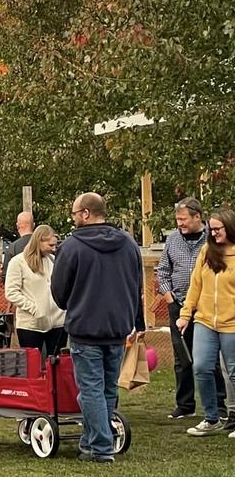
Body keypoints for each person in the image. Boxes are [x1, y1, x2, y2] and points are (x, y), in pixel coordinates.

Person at [50, 192, 144, 462]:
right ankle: (90, 442)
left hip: (86, 327)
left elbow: (59, 291)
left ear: (86, 213)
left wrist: (75, 302)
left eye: (74, 213)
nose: (73, 218)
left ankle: (101, 447)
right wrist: (136, 321)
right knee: (107, 389)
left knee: (91, 389)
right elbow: (136, 285)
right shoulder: (128, 244)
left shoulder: (71, 247)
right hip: (118, 326)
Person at [158, 197, 226, 421]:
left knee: (210, 358)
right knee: (182, 358)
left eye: (183, 219)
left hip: (207, 307)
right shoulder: (173, 240)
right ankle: (185, 405)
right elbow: (163, 271)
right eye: (177, 219)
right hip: (178, 305)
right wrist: (169, 298)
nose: (180, 223)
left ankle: (220, 404)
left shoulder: (213, 239)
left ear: (198, 217)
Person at [177, 207, 235, 437]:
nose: (213, 233)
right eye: (211, 229)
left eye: (218, 229)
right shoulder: (207, 251)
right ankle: (212, 418)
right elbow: (196, 285)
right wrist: (185, 314)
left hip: (231, 324)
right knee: (201, 367)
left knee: (233, 372)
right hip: (205, 321)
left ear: (230, 227)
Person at [4, 224, 66, 356]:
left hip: (58, 322)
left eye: (55, 245)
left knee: (57, 363)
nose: (53, 249)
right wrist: (34, 309)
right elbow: (11, 292)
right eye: (50, 245)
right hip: (30, 324)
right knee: (32, 364)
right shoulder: (18, 262)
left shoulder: (54, 260)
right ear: (39, 242)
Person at [0, 211, 35, 290]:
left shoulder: (13, 247)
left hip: (21, 292)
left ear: (17, 225)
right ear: (33, 225)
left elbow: (6, 276)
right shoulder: (44, 245)